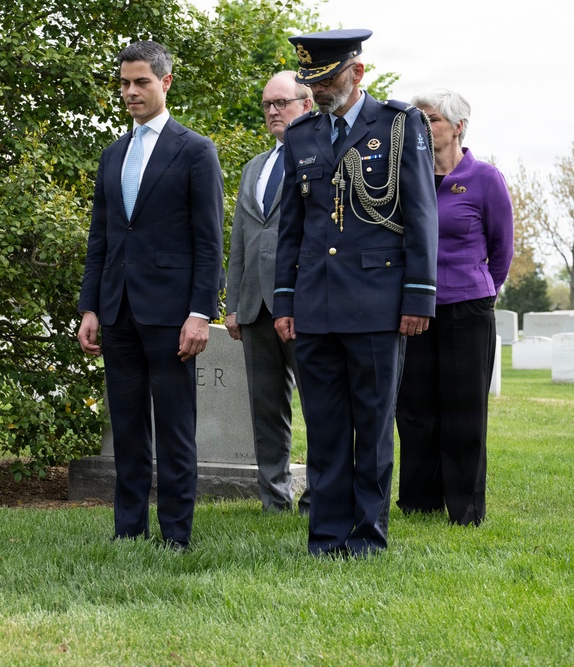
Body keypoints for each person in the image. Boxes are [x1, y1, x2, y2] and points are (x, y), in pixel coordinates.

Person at [272, 29, 438, 557]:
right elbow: (292, 230)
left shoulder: (397, 124)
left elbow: (420, 214)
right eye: (312, 81)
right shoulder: (301, 136)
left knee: (372, 427)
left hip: (376, 304)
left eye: (327, 79)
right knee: (323, 431)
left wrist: (418, 297)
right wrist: (284, 301)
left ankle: (367, 535)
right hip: (315, 307)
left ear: (357, 72)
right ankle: (325, 534)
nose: (319, 90)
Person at [77, 40, 224, 551]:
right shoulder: (113, 154)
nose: (131, 91)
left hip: (172, 315)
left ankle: (177, 535)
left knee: (175, 430)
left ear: (165, 83)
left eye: (141, 82)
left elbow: (210, 242)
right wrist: (90, 306)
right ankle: (129, 530)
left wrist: (201, 313)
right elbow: (101, 237)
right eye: (124, 83)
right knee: (128, 430)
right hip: (117, 311)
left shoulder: (196, 150)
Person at [395, 89, 514, 527]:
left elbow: (502, 248)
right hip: (415, 310)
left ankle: (465, 509)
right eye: (419, 119)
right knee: (414, 410)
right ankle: (418, 501)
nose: (425, 127)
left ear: (458, 126)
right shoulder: (410, 177)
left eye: (433, 119)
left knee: (464, 411)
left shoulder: (485, 178)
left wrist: (481, 288)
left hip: (468, 309)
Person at [225, 71, 313, 513]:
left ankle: (318, 495)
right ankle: (273, 499)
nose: (274, 111)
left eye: (282, 102)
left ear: (307, 105)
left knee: (318, 406)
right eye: (267, 105)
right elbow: (241, 239)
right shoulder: (254, 168)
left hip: (303, 303)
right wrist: (232, 306)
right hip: (255, 307)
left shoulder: (322, 158)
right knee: (265, 409)